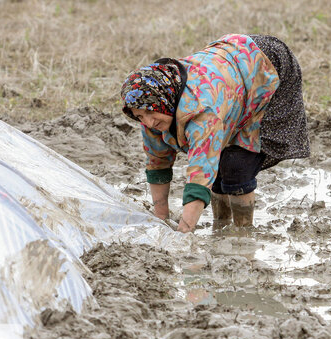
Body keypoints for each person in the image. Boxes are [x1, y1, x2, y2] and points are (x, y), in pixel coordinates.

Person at [120, 34, 310, 233]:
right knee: (219, 166)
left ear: (163, 100)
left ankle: (243, 234)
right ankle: (220, 228)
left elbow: (200, 173)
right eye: (139, 116)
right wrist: (161, 217)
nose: (148, 122)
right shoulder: (152, 110)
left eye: (150, 112)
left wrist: (184, 232)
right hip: (229, 70)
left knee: (237, 167)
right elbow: (158, 163)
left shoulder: (201, 111)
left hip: (268, 65)